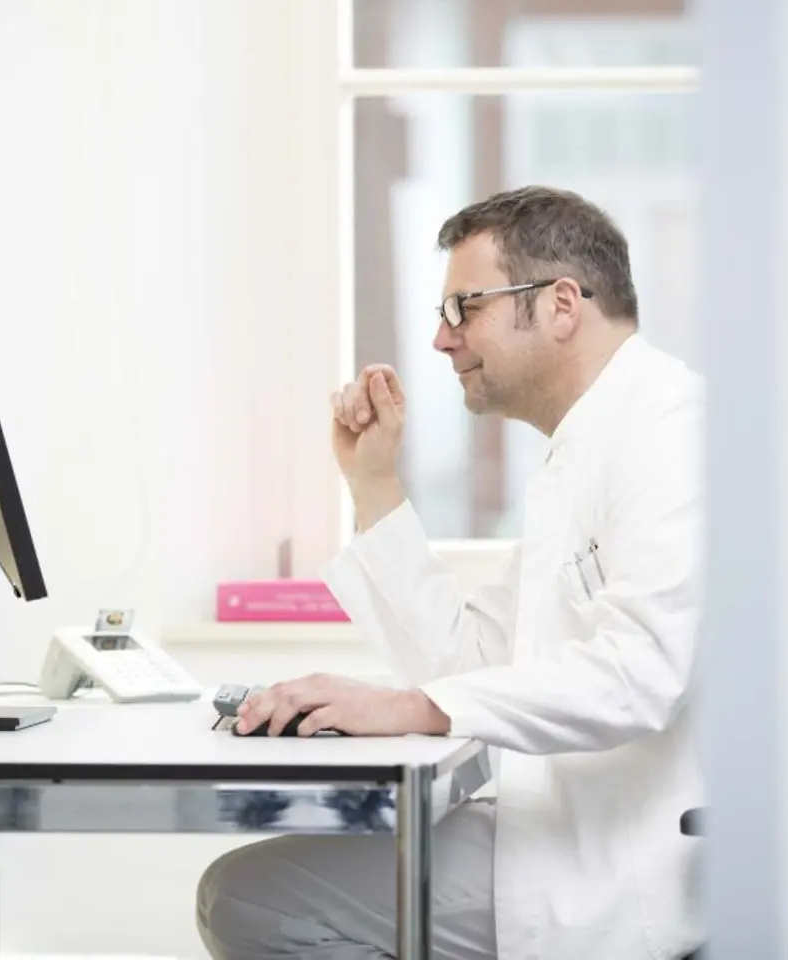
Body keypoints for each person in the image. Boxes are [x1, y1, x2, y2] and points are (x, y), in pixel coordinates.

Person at [196, 185, 706, 960]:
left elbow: (641, 673)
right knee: (252, 887)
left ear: (563, 303)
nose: (441, 338)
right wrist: (373, 483)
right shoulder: (579, 456)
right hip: (563, 829)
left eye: (465, 307)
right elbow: (466, 667)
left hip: (631, 862)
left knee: (254, 898)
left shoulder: (671, 430)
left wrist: (410, 705)